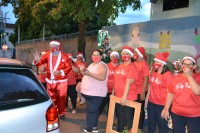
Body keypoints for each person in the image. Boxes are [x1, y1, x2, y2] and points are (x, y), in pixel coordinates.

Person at [33, 40, 72, 118]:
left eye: (54, 47)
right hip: (50, 81)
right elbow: (40, 63)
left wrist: (60, 72)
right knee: (51, 99)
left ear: (58, 47)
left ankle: (62, 113)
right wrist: (37, 60)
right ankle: (53, 113)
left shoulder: (65, 56)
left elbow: (69, 67)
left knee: (61, 99)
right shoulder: (47, 55)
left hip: (61, 82)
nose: (52, 49)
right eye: (51, 47)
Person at [161, 56, 200, 133]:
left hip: (194, 114)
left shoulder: (198, 77)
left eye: (190, 64)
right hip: (177, 113)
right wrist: (166, 108)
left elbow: (197, 92)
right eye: (185, 64)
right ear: (182, 65)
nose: (187, 67)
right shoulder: (176, 78)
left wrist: (188, 75)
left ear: (194, 66)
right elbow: (170, 93)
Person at [80, 49, 108, 133]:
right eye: (93, 55)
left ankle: (89, 129)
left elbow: (102, 77)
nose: (95, 57)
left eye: (97, 55)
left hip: (97, 94)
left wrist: (89, 74)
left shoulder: (102, 65)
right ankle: (94, 127)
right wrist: (82, 71)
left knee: (91, 111)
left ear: (100, 56)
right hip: (89, 93)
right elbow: (86, 75)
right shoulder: (92, 64)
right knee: (92, 110)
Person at [145, 52, 173, 133]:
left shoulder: (168, 75)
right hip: (151, 102)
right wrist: (147, 99)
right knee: (151, 124)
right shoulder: (154, 72)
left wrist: (166, 108)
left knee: (162, 125)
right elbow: (150, 86)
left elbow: (170, 93)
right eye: (155, 61)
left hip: (162, 104)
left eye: (158, 62)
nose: (155, 64)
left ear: (163, 63)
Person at [114, 46, 139, 132]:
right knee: (120, 118)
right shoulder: (120, 66)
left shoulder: (132, 67)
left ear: (131, 56)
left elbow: (128, 83)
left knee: (128, 120)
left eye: (127, 53)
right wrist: (113, 94)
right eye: (123, 53)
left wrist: (124, 97)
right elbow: (116, 81)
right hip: (118, 96)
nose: (125, 55)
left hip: (128, 97)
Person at [94, 51, 120, 128]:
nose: (114, 58)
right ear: (110, 57)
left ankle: (111, 123)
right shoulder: (106, 66)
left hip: (116, 91)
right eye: (112, 56)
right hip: (106, 90)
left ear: (118, 58)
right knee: (100, 106)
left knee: (114, 108)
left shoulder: (121, 67)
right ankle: (94, 123)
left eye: (116, 56)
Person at [133, 47, 149, 132]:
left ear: (140, 54)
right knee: (133, 109)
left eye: (136, 53)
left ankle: (139, 128)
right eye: (134, 52)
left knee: (139, 110)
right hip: (133, 91)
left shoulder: (144, 64)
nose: (134, 54)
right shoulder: (134, 63)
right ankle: (133, 126)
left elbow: (146, 79)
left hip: (140, 91)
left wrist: (143, 93)